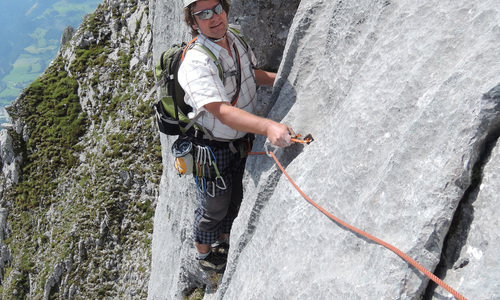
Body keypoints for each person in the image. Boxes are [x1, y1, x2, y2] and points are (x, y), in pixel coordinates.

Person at [178, 0, 295, 273]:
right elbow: (221, 111)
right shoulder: (196, 62)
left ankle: (223, 239)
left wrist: (284, 78)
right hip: (212, 146)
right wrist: (267, 127)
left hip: (242, 140)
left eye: (217, 8)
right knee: (214, 206)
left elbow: (250, 75)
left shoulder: (235, 37)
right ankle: (204, 256)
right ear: (193, 23)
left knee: (235, 197)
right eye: (203, 14)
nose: (214, 17)